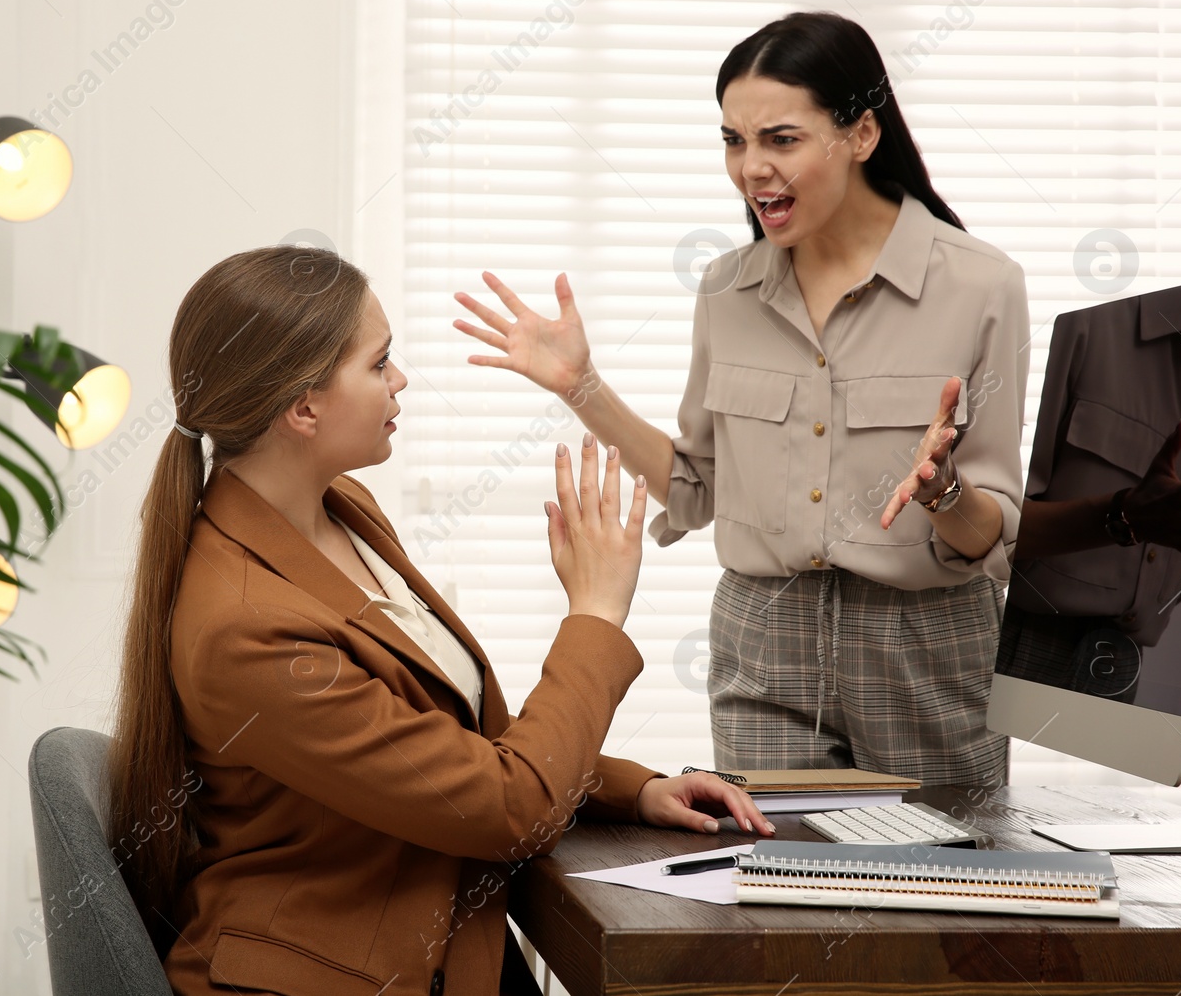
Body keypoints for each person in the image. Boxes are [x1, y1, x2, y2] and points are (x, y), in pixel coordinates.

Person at [105, 246, 772, 996]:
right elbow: (506, 809)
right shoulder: (246, 627)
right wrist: (595, 612)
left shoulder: (342, 510)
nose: (401, 379)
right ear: (303, 407)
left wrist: (632, 787)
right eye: (380, 362)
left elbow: (447, 745)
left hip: (445, 927)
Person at [452, 11, 1029, 787]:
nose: (750, 167)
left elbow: (999, 530)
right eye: (733, 140)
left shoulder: (981, 284)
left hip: (926, 643)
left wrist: (946, 492)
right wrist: (582, 388)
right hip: (765, 637)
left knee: (946, 888)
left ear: (861, 134)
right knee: (771, 885)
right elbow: (697, 488)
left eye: (780, 139)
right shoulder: (727, 289)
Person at [998, 271, 1181, 705]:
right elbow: (983, 522)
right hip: (1020, 644)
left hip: (1124, 663)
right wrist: (1121, 517)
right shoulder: (1083, 322)